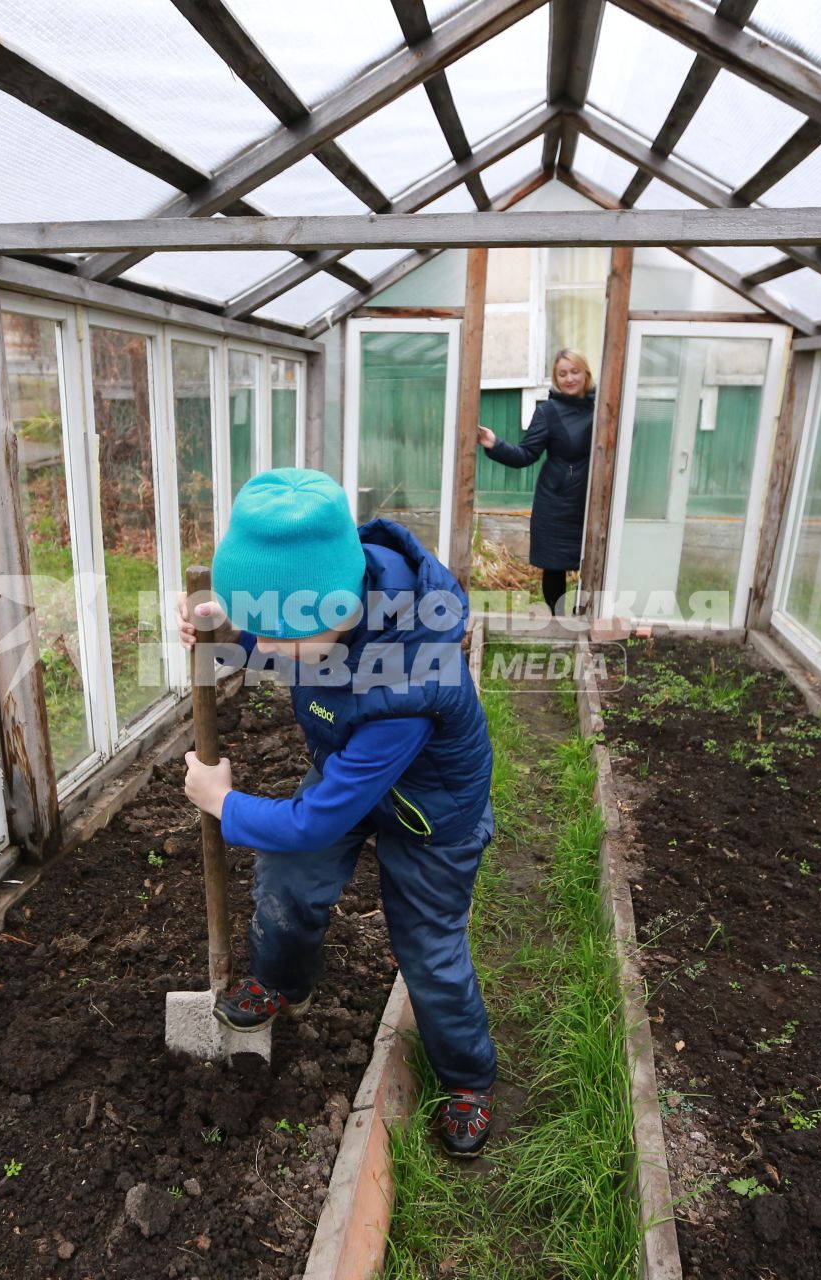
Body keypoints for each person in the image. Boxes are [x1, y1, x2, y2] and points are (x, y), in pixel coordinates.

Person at [177, 468, 499, 1157]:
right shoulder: (326, 591)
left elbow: (317, 820)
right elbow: (268, 641)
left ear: (336, 608)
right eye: (258, 624)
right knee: (288, 879)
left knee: (429, 948)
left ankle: (470, 1078)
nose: (270, 654)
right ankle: (282, 984)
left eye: (279, 638)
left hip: (431, 815)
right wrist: (221, 631)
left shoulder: (410, 682)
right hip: (348, 771)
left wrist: (223, 803)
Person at [476, 347, 596, 615]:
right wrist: (494, 444)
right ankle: (558, 622)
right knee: (555, 566)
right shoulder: (548, 412)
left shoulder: (604, 408)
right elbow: (526, 454)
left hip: (594, 501)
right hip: (557, 503)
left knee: (595, 562)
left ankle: (586, 617)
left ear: (586, 373)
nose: (569, 379)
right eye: (562, 374)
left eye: (574, 371)